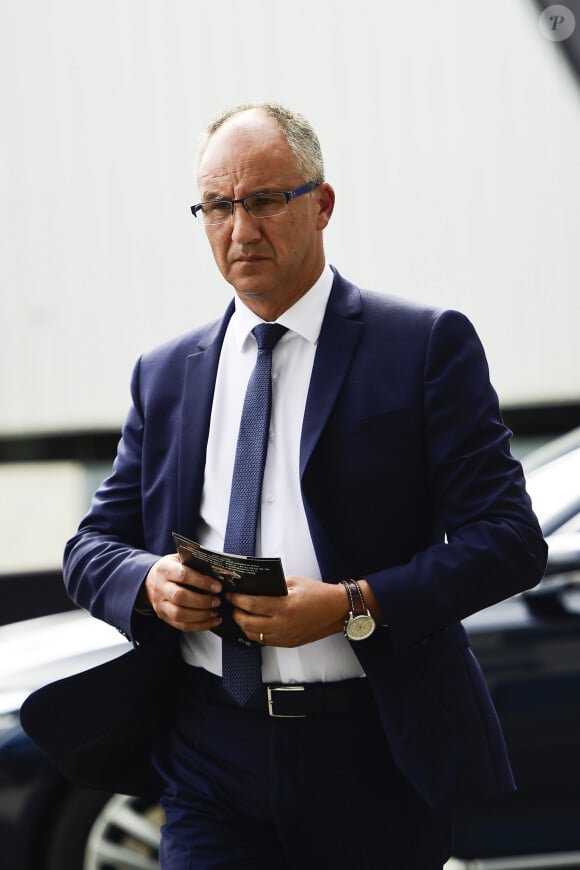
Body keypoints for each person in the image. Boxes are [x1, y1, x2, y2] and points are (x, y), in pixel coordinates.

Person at [30, 103, 547, 869]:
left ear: (322, 204)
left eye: (266, 200)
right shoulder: (169, 373)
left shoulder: (423, 345)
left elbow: (508, 542)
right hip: (210, 748)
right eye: (218, 206)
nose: (241, 230)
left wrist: (350, 607)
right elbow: (92, 547)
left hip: (371, 747)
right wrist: (151, 584)